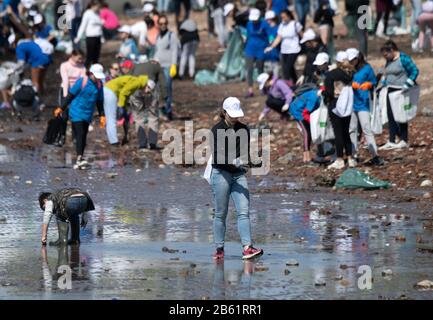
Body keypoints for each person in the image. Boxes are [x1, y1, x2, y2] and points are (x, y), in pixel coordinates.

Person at [210, 97, 264, 260]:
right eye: (232, 115)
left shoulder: (244, 129)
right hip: (221, 174)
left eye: (237, 115)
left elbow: (244, 153)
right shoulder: (216, 130)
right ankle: (219, 249)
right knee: (221, 213)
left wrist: (251, 162)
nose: (235, 118)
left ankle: (247, 247)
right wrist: (235, 162)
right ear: (224, 112)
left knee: (244, 211)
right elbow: (218, 158)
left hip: (238, 174)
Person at [56, 64, 106, 169]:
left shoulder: (100, 85)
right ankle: (79, 158)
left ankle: (80, 157)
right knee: (80, 133)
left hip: (88, 113)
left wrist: (102, 115)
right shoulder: (82, 82)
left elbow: (100, 101)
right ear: (91, 73)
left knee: (83, 136)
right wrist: (61, 107)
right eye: (96, 76)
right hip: (76, 111)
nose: (97, 78)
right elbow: (70, 95)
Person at [378, 40, 419, 150]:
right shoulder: (389, 60)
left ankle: (404, 140)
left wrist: (407, 84)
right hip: (390, 89)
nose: (385, 57)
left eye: (386, 54)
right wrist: (383, 83)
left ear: (392, 50)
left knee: (401, 115)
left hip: (401, 91)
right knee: (391, 116)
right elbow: (388, 73)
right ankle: (391, 140)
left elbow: (414, 71)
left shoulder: (403, 58)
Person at [346, 48, 384, 166]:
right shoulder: (348, 69)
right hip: (351, 103)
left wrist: (369, 84)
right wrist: (350, 84)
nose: (352, 62)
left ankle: (375, 155)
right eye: (350, 60)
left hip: (363, 103)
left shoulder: (367, 68)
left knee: (367, 129)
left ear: (358, 58)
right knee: (352, 129)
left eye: (354, 60)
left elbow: (374, 82)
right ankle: (353, 155)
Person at [324, 51, 355, 170]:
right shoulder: (351, 73)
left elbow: (328, 92)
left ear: (337, 61)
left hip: (335, 104)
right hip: (347, 105)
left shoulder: (331, 74)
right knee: (346, 131)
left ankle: (340, 159)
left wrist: (323, 93)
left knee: (338, 133)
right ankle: (350, 158)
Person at [104, 74, 151, 145]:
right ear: (147, 86)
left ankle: (116, 140)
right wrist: (120, 106)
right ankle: (114, 142)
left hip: (110, 90)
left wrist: (124, 106)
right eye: (148, 91)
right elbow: (123, 92)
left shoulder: (137, 81)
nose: (146, 93)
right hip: (110, 91)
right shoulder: (137, 83)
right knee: (111, 118)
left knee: (112, 118)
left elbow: (126, 94)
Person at [265, 9, 303, 82]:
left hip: (294, 49)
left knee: (287, 69)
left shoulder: (295, 24)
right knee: (290, 69)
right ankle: (295, 83)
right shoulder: (282, 25)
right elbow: (278, 38)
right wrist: (271, 47)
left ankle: (288, 85)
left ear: (289, 16)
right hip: (284, 50)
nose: (283, 19)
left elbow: (302, 35)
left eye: (284, 17)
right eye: (282, 17)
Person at [58, 49, 86, 146]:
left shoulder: (82, 67)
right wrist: (66, 98)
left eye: (82, 59)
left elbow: (82, 82)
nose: (81, 60)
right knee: (64, 116)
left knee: (75, 115)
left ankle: (75, 138)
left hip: (77, 93)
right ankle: (62, 136)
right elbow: (65, 81)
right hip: (65, 91)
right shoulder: (64, 65)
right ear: (73, 56)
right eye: (79, 58)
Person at [289, 81, 321, 163]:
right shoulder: (313, 98)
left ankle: (313, 154)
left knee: (310, 131)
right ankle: (306, 156)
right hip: (297, 110)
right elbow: (305, 113)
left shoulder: (320, 95)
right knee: (306, 132)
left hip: (303, 108)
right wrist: (313, 123)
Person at [154, 15, 179, 121]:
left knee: (167, 88)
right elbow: (157, 51)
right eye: (161, 23)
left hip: (168, 66)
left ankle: (168, 111)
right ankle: (162, 109)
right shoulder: (158, 36)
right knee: (159, 89)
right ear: (158, 24)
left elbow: (175, 50)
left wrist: (174, 64)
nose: (163, 25)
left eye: (165, 23)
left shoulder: (171, 36)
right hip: (159, 66)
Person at [128, 79, 160, 150]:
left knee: (153, 117)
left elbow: (154, 107)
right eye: (147, 87)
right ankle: (142, 143)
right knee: (139, 119)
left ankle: (152, 142)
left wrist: (152, 107)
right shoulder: (135, 88)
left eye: (149, 89)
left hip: (151, 97)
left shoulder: (154, 92)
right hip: (136, 97)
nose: (147, 90)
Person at [244, 8, 268, 98]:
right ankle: (250, 89)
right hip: (250, 49)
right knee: (249, 69)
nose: (254, 21)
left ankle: (263, 87)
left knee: (260, 69)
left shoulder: (264, 24)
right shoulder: (249, 24)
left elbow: (269, 36)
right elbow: (247, 35)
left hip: (261, 49)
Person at [75, 0, 104, 68]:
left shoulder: (98, 13)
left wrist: (102, 37)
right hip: (91, 38)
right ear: (92, 6)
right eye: (97, 7)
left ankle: (95, 72)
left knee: (96, 57)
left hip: (98, 37)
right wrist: (78, 37)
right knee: (89, 56)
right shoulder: (87, 13)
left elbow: (99, 27)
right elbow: (83, 26)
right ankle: (85, 70)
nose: (98, 8)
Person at [263, 10, 280, 77]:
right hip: (268, 55)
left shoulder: (278, 28)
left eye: (268, 19)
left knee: (276, 73)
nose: (266, 21)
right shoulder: (267, 28)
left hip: (275, 54)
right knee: (268, 72)